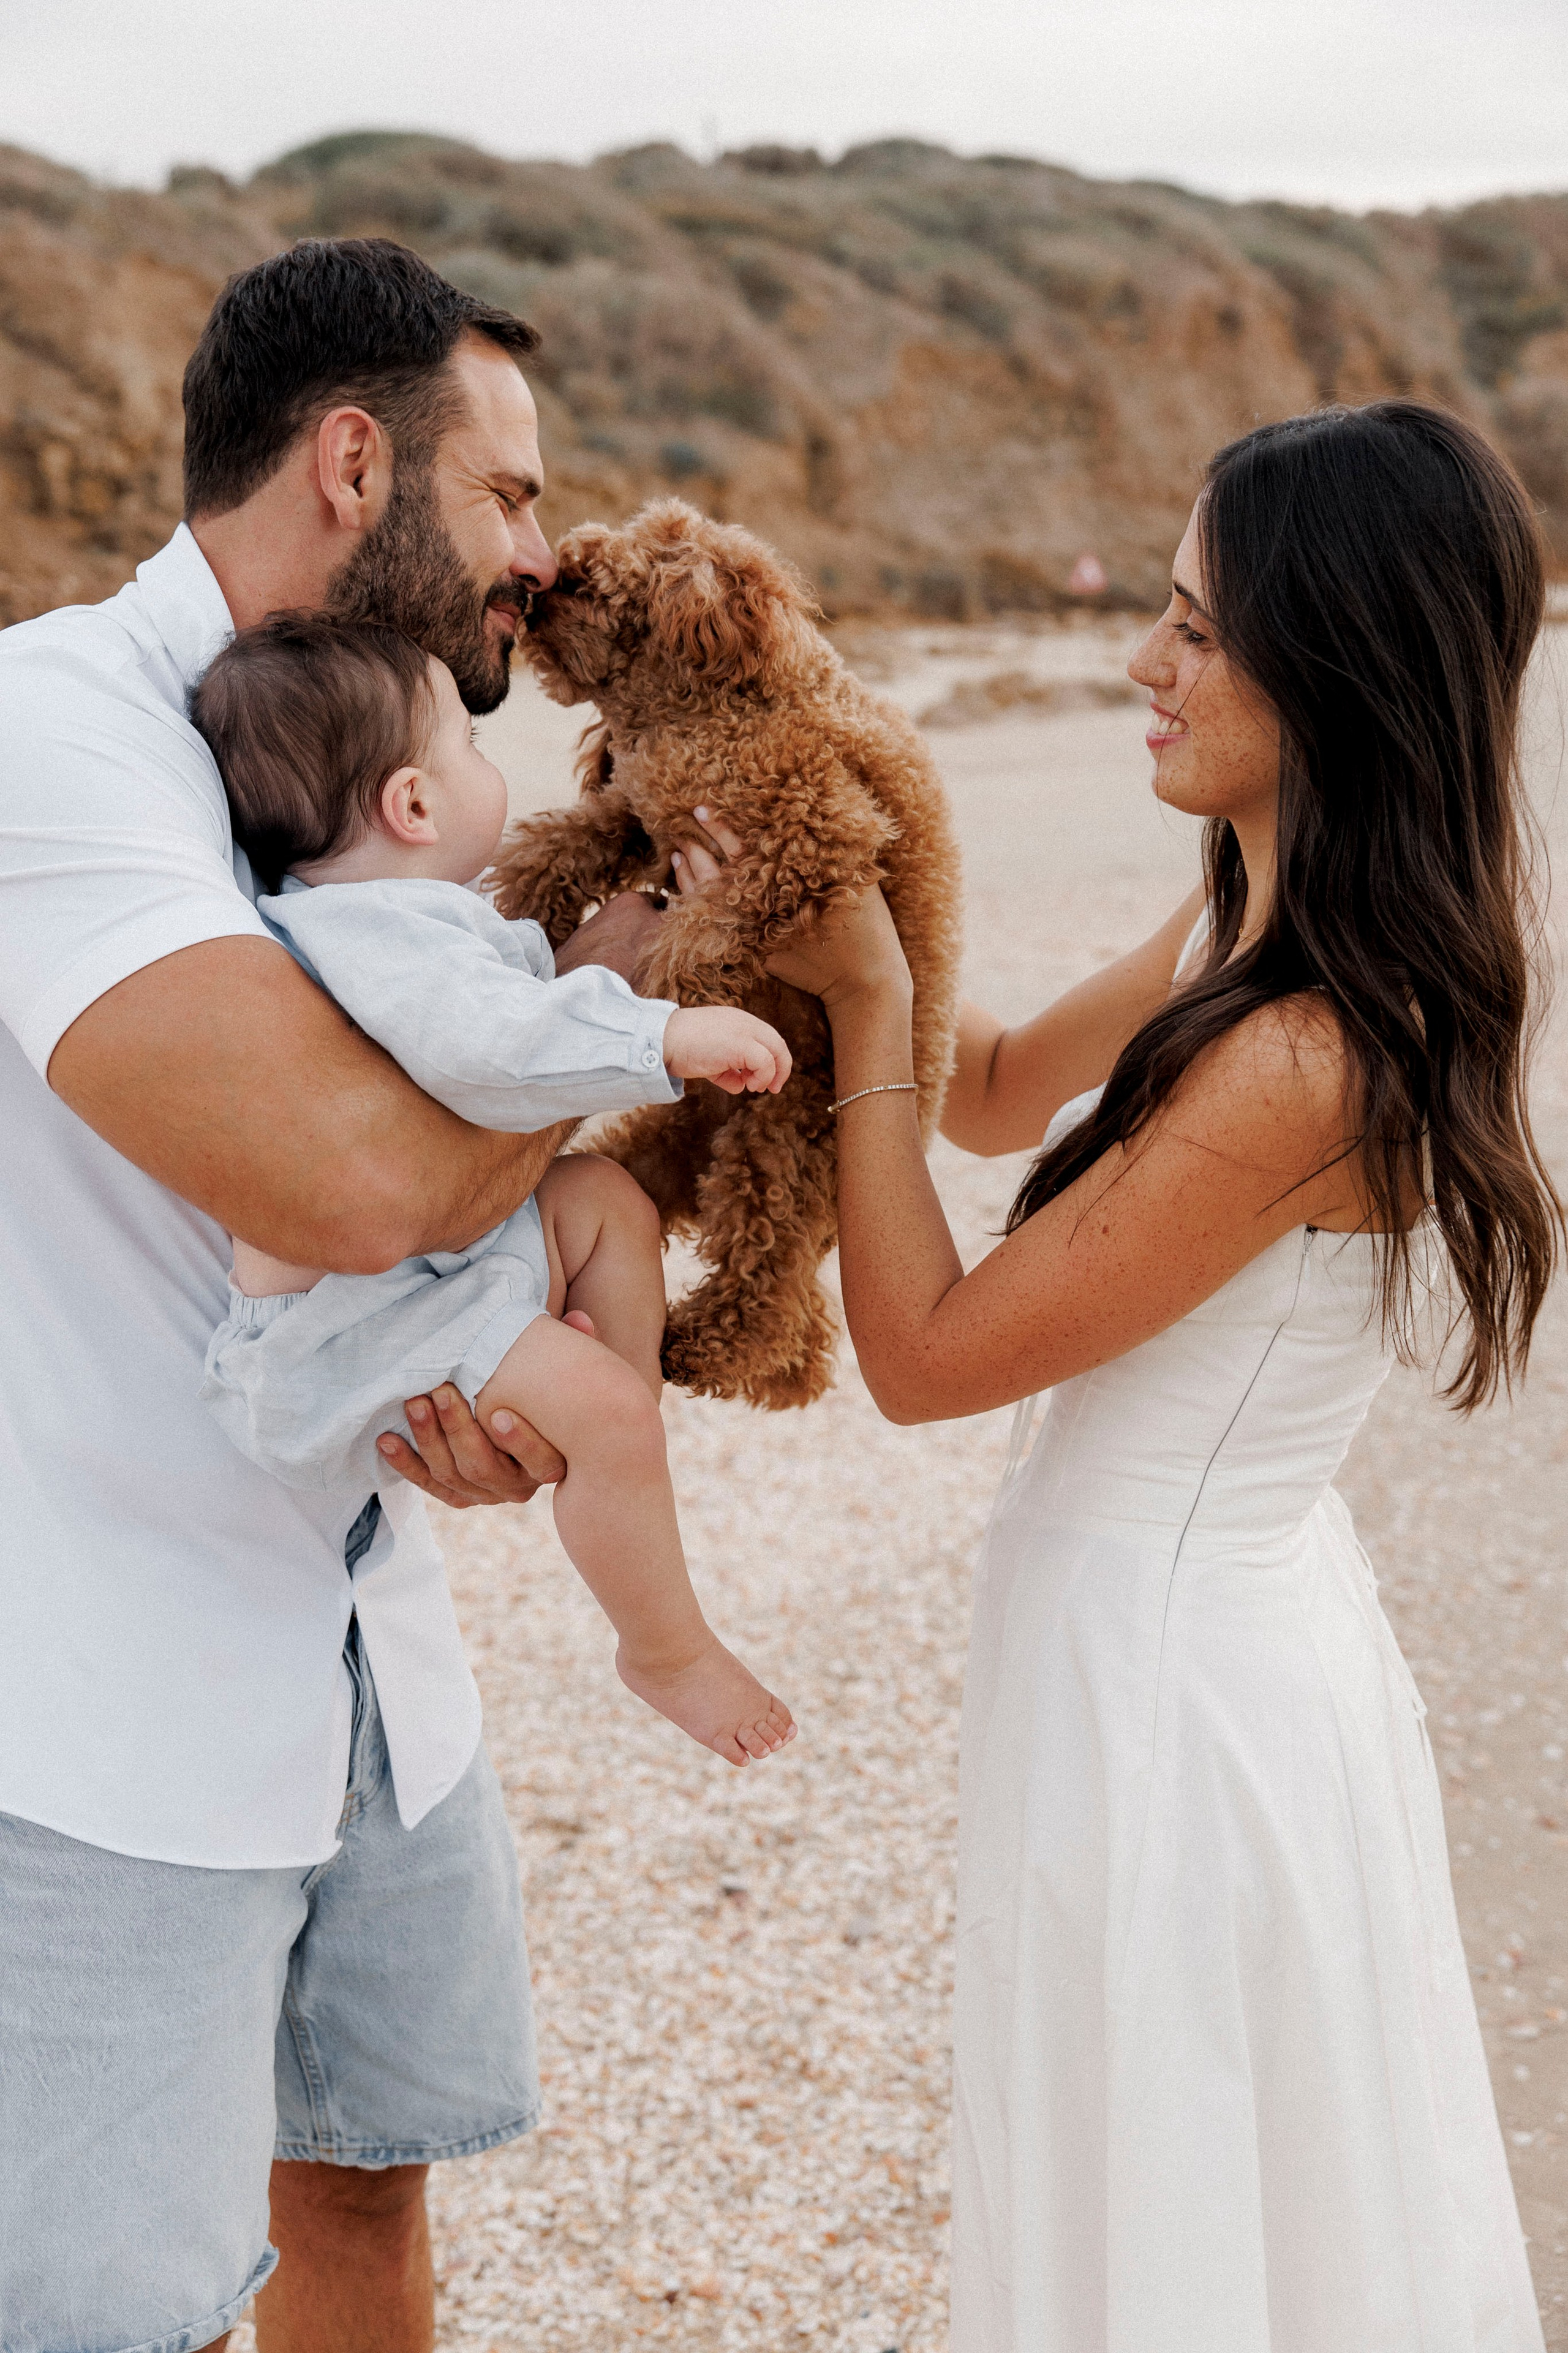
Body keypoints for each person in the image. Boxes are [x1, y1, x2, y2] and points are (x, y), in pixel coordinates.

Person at [676, 402, 1558, 2349]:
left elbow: (926, 1358)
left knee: (1172, 2181)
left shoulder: (1310, 1057)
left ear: (1338, 664)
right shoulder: (1250, 913)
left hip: (1180, 1683)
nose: (1142, 662)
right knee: (1182, 2167)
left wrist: (867, 1002)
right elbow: (997, 1092)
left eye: (1197, 630)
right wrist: (810, 909)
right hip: (1179, 1632)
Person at [0, 238, 662, 2353]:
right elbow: (353, 1179)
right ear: (355, 466)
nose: (542, 560)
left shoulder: (393, 777)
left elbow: (410, 1184)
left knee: (364, 2191)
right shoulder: (53, 733)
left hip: (373, 1657)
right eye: (511, 497)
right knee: (131, 2313)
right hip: (99, 1708)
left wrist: (454, 1386)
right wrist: (592, 1033)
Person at [194, 609, 796, 1767]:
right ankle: (662, 1643)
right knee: (607, 1399)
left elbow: (496, 1022)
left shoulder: (394, 919)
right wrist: (665, 1035)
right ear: (414, 805)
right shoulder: (380, 933)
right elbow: (494, 1051)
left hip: (427, 1271)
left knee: (608, 1200)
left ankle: (611, 1436)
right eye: (468, 744)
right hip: (351, 1330)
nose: (488, 761)